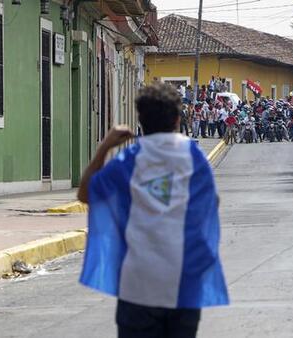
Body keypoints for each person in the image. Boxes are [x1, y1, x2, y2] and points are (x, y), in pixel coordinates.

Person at [77, 83, 229, 338]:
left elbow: (85, 193)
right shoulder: (194, 157)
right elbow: (212, 203)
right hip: (185, 284)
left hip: (138, 285)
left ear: (140, 119)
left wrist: (106, 146)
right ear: (178, 119)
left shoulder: (128, 160)